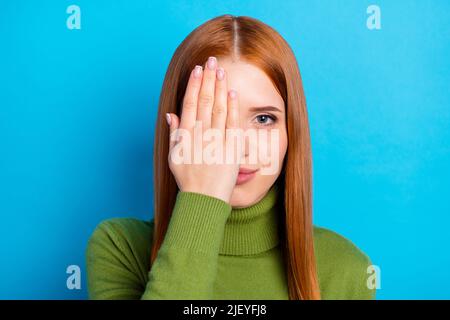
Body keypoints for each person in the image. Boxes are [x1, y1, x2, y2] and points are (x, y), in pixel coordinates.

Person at [85, 14, 376, 300]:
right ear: (178, 130)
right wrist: (201, 199)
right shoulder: (120, 247)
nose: (238, 149)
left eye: (264, 119)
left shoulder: (346, 269)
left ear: (291, 131)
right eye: (214, 118)